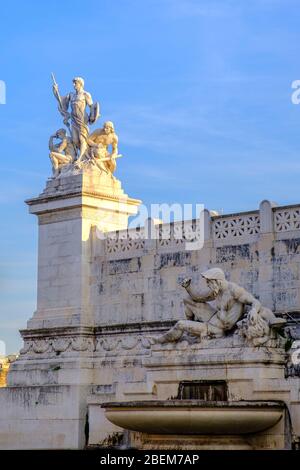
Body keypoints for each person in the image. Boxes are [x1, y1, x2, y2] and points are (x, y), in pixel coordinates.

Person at [153, 267, 286, 344]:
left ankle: (159, 341)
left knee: (180, 324)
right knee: (187, 299)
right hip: (212, 318)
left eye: (209, 282)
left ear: (216, 281)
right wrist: (188, 287)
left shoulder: (234, 290)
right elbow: (198, 297)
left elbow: (254, 302)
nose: (208, 285)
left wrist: (254, 311)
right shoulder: (217, 291)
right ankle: (192, 332)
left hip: (216, 328)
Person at [52, 77, 99, 161]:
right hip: (74, 119)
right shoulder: (71, 95)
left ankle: (80, 159)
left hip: (82, 119)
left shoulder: (85, 94)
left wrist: (94, 115)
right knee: (75, 140)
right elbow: (62, 102)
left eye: (75, 83)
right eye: (73, 83)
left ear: (80, 84)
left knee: (82, 138)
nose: (74, 85)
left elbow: (92, 106)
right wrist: (56, 91)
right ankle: (84, 155)